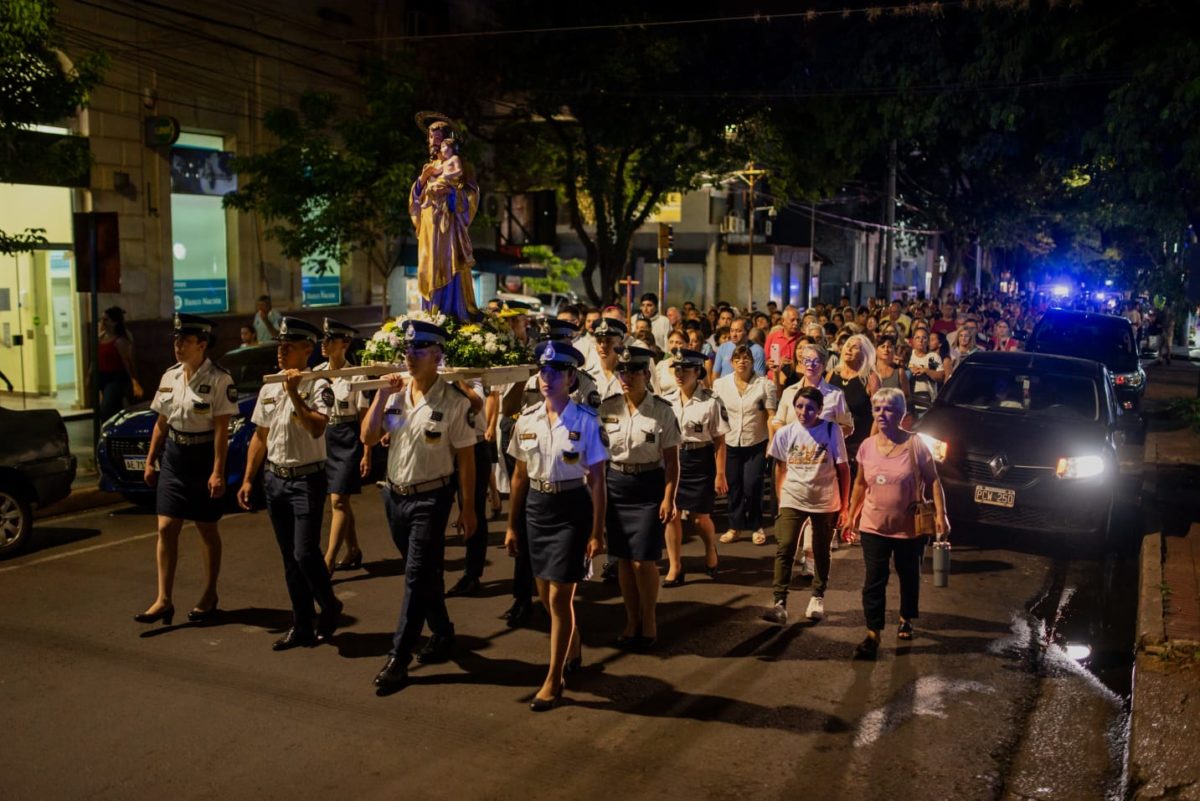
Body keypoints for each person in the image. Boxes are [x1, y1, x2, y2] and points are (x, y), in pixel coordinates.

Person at [365, 320, 477, 691]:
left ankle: (399, 657)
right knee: (425, 573)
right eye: (407, 350)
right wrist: (382, 396)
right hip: (394, 495)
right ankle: (442, 631)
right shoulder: (397, 395)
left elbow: (466, 460)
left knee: (415, 576)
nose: (409, 357)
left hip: (431, 496)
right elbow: (370, 435)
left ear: (437, 355)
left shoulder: (454, 403)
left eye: (419, 350)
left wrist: (469, 508)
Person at [505, 342, 608, 711]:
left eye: (555, 372)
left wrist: (597, 531)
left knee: (558, 597)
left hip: (571, 509)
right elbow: (518, 476)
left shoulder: (586, 420)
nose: (546, 378)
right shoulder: (528, 419)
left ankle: (553, 678)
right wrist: (512, 525)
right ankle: (573, 637)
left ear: (571, 377)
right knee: (543, 592)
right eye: (542, 371)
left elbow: (597, 479)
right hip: (537, 507)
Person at [237, 317, 342, 651]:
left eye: (288, 346)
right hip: (275, 479)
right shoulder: (269, 386)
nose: (280, 351)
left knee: (304, 552)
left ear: (306, 350)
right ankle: (302, 624)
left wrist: (295, 394)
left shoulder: (318, 385)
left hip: (306, 479)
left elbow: (316, 428)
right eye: (279, 346)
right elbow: (260, 435)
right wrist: (248, 478)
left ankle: (329, 604)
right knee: (289, 558)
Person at [134, 314, 237, 626]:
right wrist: (151, 458)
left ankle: (209, 593)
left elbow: (221, 430)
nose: (177, 345)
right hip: (175, 457)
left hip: (203, 456)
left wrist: (218, 471)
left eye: (184, 341)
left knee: (206, 528)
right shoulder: (170, 376)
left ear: (202, 344)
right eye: (176, 340)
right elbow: (161, 421)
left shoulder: (220, 379)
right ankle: (163, 599)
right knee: (166, 527)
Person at [847, 387, 949, 659]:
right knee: (874, 580)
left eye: (889, 408)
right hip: (873, 525)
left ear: (901, 413)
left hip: (909, 527)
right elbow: (859, 483)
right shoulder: (867, 447)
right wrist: (850, 514)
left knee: (909, 575)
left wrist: (941, 514)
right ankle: (873, 634)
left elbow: (934, 480)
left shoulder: (915, 444)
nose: (882, 413)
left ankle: (906, 617)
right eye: (877, 408)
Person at [600, 346, 680, 649]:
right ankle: (631, 619)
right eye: (622, 371)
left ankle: (649, 619)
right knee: (622, 559)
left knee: (643, 560)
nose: (626, 377)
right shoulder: (607, 408)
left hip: (649, 486)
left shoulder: (662, 410)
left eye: (633, 371)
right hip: (616, 484)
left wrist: (668, 497)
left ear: (647, 374)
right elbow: (597, 455)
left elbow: (672, 461)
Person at [762, 386, 850, 625]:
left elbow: (843, 469)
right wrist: (781, 500)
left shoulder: (831, 430)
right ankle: (779, 601)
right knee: (786, 546)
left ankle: (817, 596)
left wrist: (845, 505)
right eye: (799, 406)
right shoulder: (785, 433)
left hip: (824, 500)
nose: (804, 412)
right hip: (793, 497)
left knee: (821, 550)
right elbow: (780, 468)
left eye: (810, 408)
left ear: (820, 410)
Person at [661, 348, 728, 586]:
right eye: (676, 369)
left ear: (697, 372)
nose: (679, 374)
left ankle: (710, 549)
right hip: (673, 459)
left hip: (700, 460)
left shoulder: (711, 401)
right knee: (671, 514)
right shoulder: (666, 400)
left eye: (685, 369)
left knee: (700, 519)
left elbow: (720, 440)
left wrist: (720, 474)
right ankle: (675, 565)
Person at [315, 319, 372, 573]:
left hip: (347, 437)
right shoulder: (318, 373)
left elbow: (363, 417)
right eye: (323, 340)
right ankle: (354, 549)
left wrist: (367, 452)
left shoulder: (356, 375)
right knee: (339, 502)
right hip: (325, 436)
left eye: (330, 340)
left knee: (338, 500)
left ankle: (328, 560)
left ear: (345, 344)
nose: (324, 345)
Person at [411, 117, 479, 318]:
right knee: (428, 267)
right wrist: (423, 180)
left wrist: (450, 193)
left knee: (449, 263)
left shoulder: (457, 164)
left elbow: (471, 193)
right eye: (431, 137)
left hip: (447, 227)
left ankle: (451, 313)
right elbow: (415, 199)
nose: (434, 141)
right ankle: (430, 312)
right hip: (428, 227)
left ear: (448, 141)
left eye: (438, 137)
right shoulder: (427, 168)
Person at [713, 344, 777, 545]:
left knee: (753, 485)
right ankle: (735, 526)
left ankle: (757, 525)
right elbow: (716, 415)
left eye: (746, 358)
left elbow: (771, 415)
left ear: (752, 361)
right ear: (731, 362)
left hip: (755, 442)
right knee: (734, 487)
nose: (742, 361)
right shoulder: (720, 385)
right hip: (730, 442)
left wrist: (772, 443)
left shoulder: (765, 384)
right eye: (737, 358)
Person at [97, 306, 143, 423]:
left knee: (106, 407)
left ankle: (109, 428)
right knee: (114, 406)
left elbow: (128, 362)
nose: (102, 322)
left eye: (106, 319)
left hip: (116, 378)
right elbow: (96, 357)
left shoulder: (120, 341)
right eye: (102, 319)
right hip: (103, 376)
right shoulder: (101, 338)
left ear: (114, 322)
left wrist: (134, 381)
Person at [907, 329, 945, 406]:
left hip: (928, 402)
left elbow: (940, 377)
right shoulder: (908, 355)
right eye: (917, 337)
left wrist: (926, 371)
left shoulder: (933, 357)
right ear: (913, 340)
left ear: (928, 341)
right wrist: (910, 371)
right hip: (910, 401)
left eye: (924, 338)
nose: (920, 340)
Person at [764, 306, 802, 382]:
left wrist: (792, 364)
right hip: (773, 380)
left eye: (798, 320)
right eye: (792, 320)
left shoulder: (803, 339)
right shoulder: (772, 337)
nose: (796, 323)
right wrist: (773, 363)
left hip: (796, 380)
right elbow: (764, 363)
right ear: (783, 321)